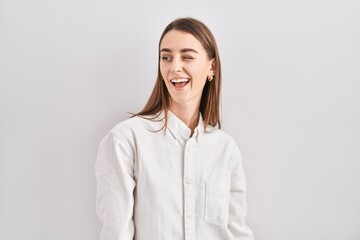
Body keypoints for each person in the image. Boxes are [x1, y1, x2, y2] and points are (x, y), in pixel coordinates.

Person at [95, 17, 254, 240]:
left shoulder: (225, 149)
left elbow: (237, 232)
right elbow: (115, 234)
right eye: (166, 57)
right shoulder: (126, 140)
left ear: (212, 67)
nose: (174, 67)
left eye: (187, 56)